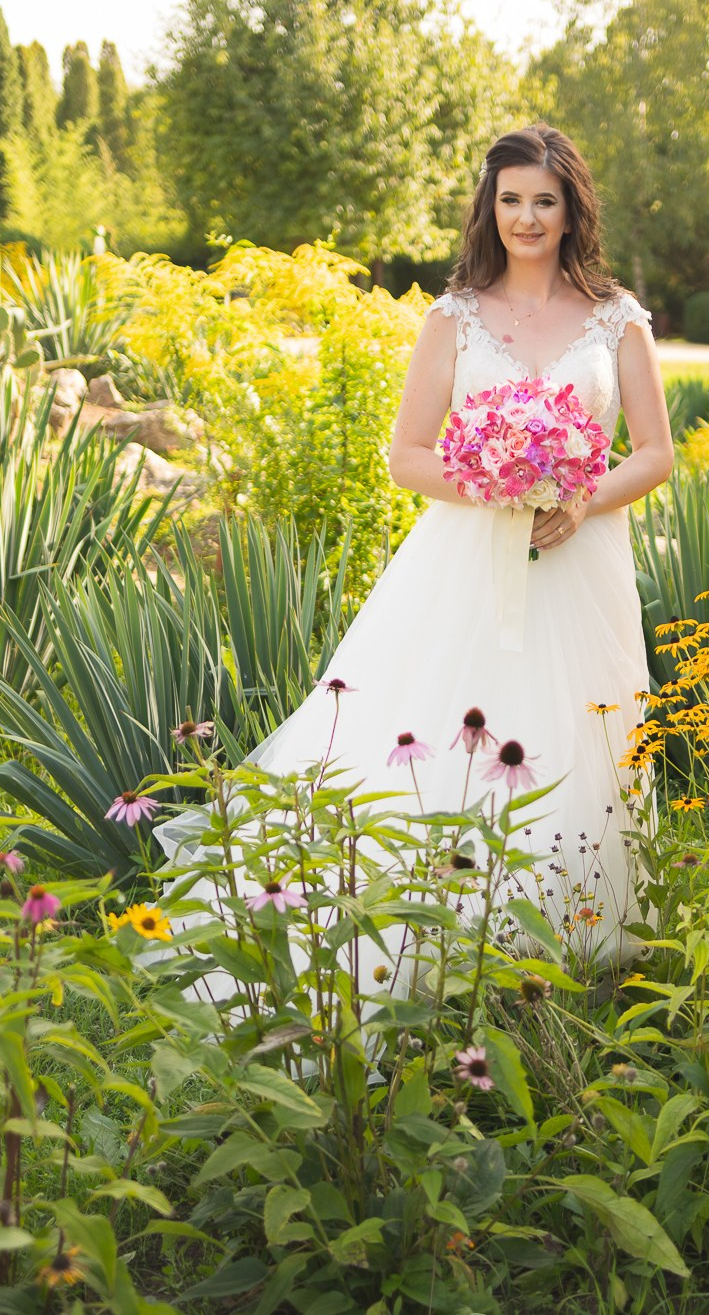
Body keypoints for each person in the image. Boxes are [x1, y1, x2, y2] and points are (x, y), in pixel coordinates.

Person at [150, 122, 673, 977]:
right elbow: (407, 455)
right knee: (457, 723)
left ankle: (575, 931)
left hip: (582, 561)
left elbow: (654, 452)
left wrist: (580, 498)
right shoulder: (453, 318)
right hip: (466, 558)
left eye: (544, 201)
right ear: (490, 207)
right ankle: (438, 927)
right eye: (511, 201)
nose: (527, 218)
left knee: (580, 728)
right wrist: (496, 483)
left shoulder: (619, 321)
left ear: (573, 209)